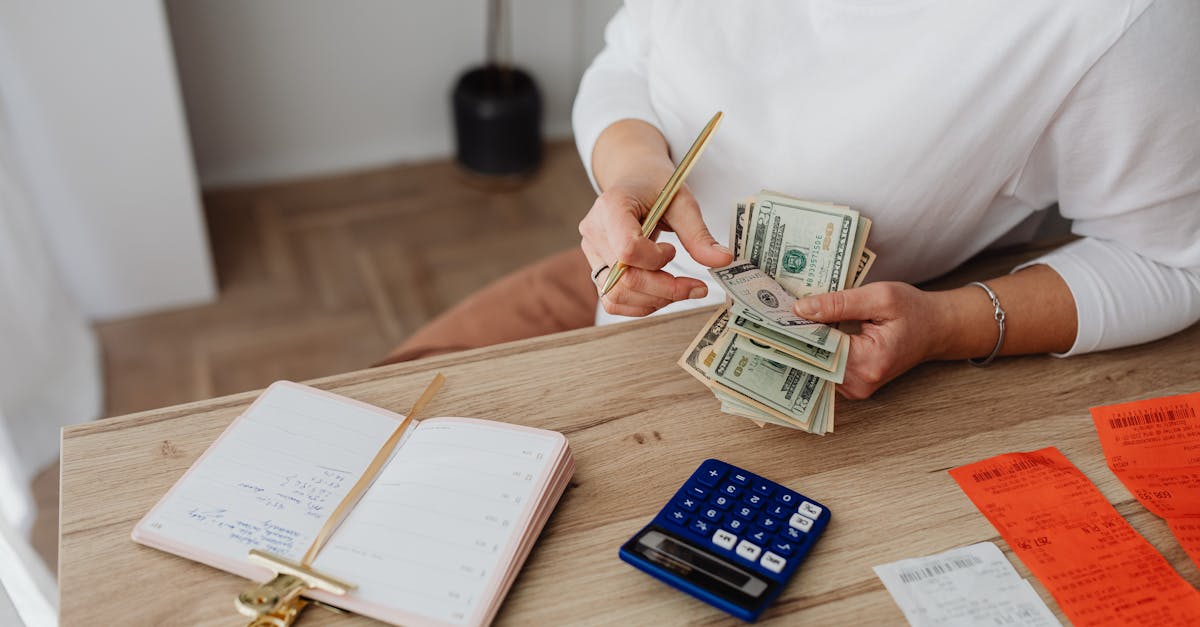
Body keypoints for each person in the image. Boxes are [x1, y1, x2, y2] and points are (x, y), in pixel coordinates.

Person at [383, 0, 1200, 400]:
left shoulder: (1115, 22)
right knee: (368, 409)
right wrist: (630, 172)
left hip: (813, 381)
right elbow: (631, 52)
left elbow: (1173, 264)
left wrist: (948, 325)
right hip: (621, 284)